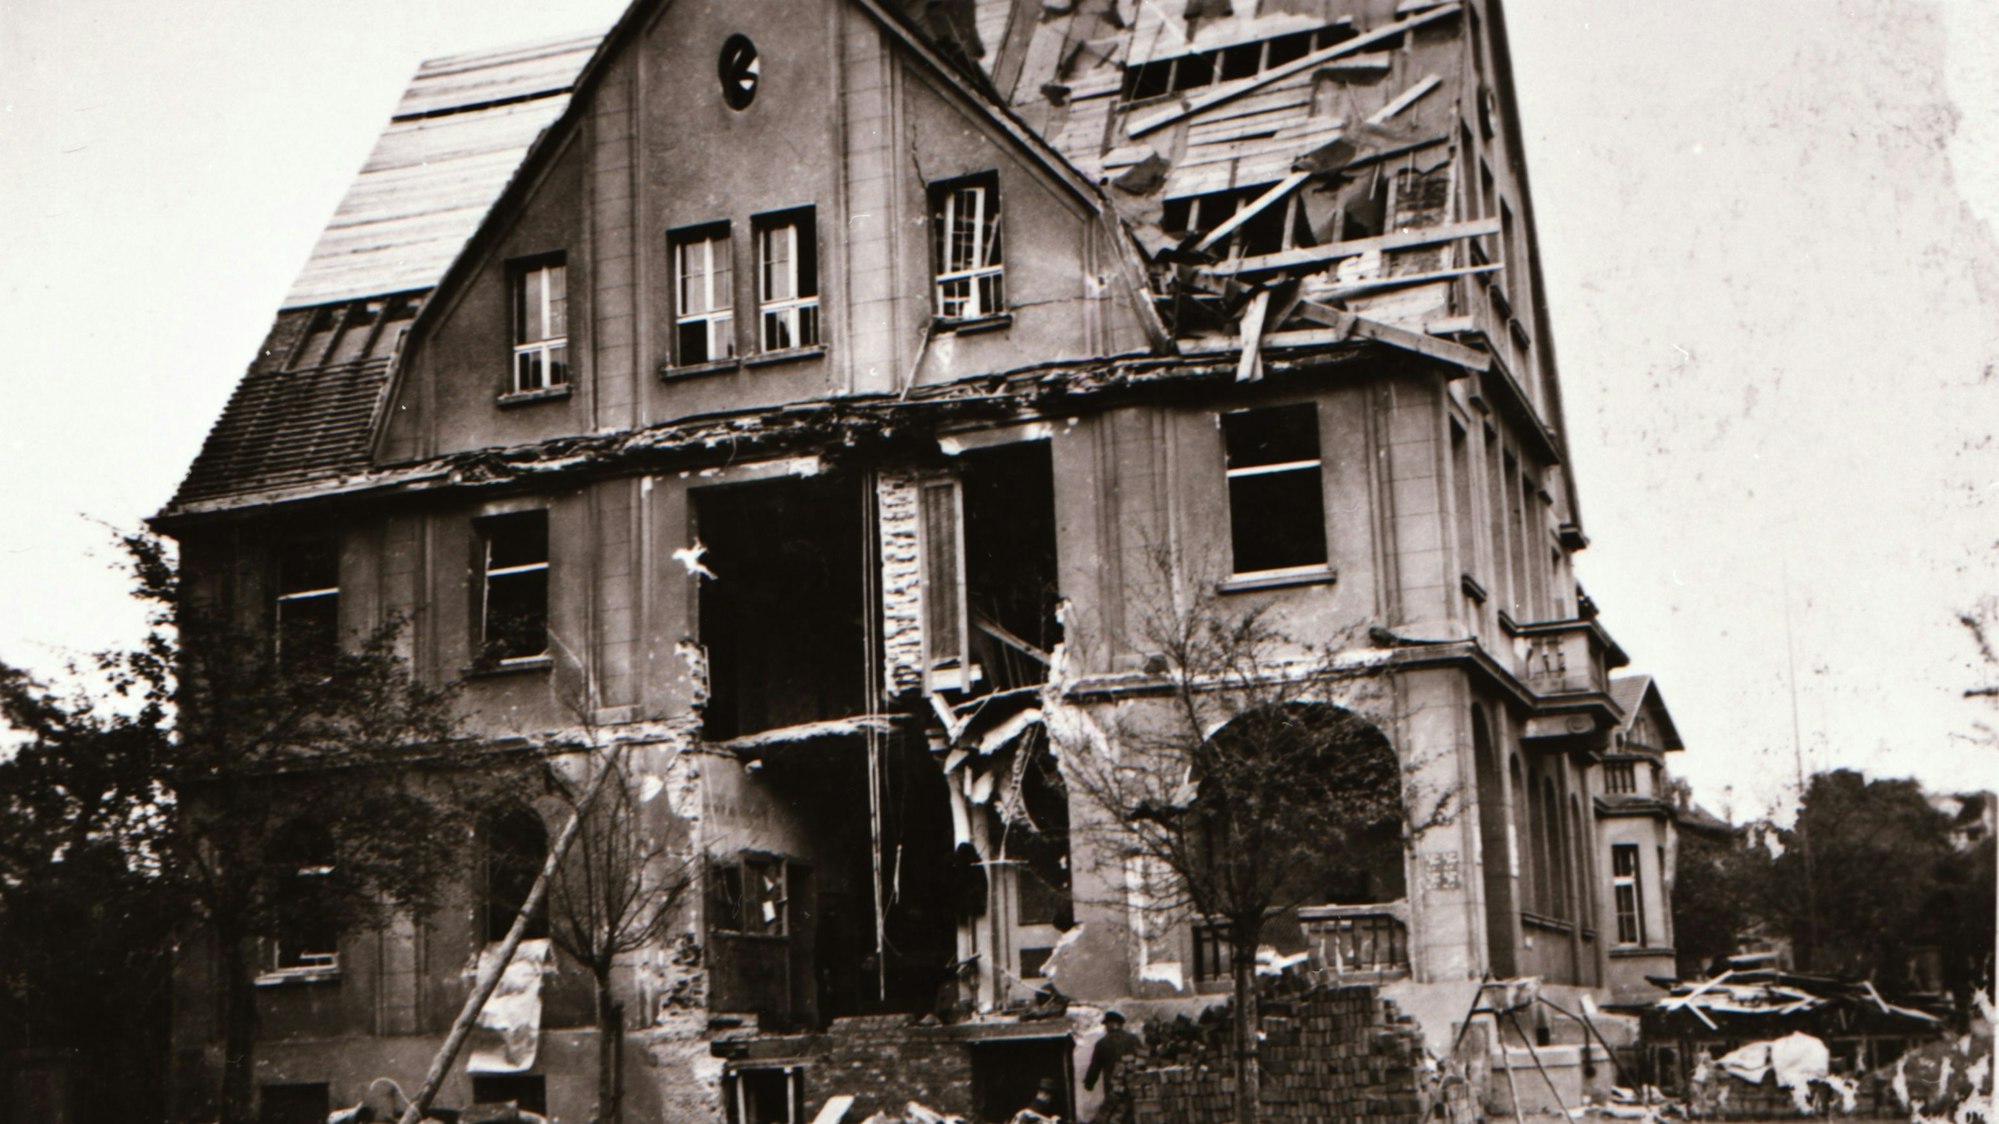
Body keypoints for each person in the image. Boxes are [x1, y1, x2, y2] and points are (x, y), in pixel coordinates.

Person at [1082, 1009, 1142, 1124]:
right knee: (1131, 1115)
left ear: (1110, 1024)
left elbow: (1095, 1067)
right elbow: (1143, 1059)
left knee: (1114, 1115)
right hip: (1133, 1086)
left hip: (1112, 1089)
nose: (1105, 1027)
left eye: (1106, 1024)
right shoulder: (1133, 1039)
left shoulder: (1102, 1043)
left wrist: (1089, 1084)